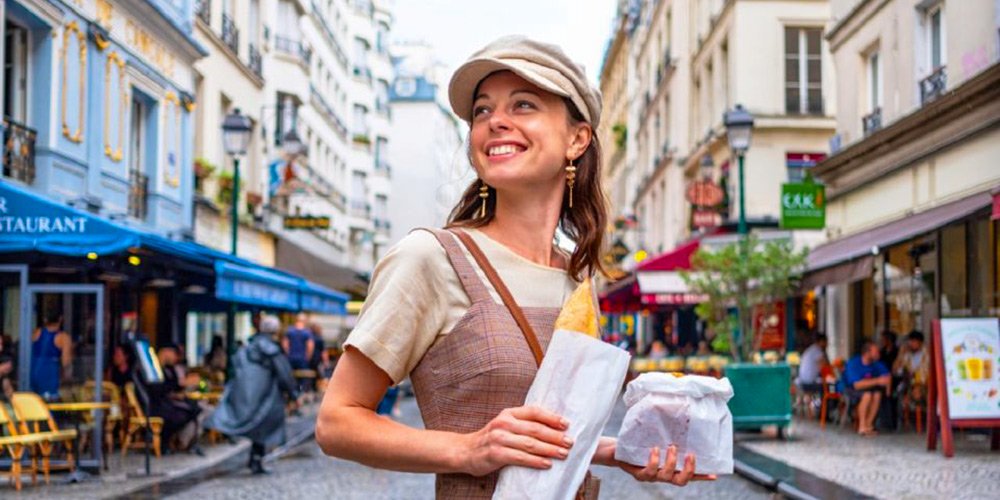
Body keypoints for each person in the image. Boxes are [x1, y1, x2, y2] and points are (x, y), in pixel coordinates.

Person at [316, 36, 704, 498]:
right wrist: (469, 449)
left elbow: (545, 432)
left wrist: (619, 451)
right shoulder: (431, 258)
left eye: (523, 105)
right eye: (482, 111)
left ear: (577, 139)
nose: (496, 122)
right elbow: (337, 421)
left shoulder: (574, 280)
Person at [206, 315, 299, 474]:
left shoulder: (250, 347)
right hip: (268, 395)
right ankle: (256, 459)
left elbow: (237, 367)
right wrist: (293, 393)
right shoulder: (271, 349)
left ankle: (255, 458)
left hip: (249, 393)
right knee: (263, 426)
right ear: (275, 331)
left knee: (258, 426)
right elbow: (284, 373)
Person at [844, 341, 891, 436]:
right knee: (867, 395)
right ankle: (861, 426)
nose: (879, 353)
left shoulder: (876, 363)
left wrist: (888, 392)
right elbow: (857, 385)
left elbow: (887, 376)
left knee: (877, 394)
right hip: (850, 389)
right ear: (867, 353)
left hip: (868, 388)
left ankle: (868, 424)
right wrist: (877, 381)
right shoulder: (854, 363)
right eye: (876, 351)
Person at [30, 312, 72, 400]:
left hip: (33, 371)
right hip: (50, 374)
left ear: (45, 320)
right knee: (49, 405)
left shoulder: (36, 333)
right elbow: (66, 362)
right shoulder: (63, 338)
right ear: (60, 319)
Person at [893, 330, 928, 409]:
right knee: (899, 392)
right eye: (910, 341)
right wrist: (901, 354)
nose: (911, 344)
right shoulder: (907, 354)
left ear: (920, 342)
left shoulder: (927, 353)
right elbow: (895, 371)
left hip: (924, 384)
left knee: (917, 390)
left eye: (913, 341)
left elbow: (926, 372)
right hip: (909, 383)